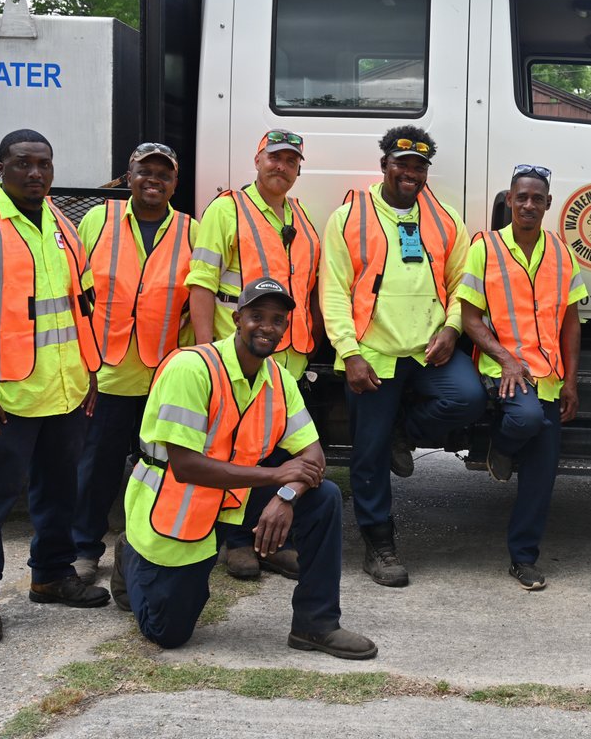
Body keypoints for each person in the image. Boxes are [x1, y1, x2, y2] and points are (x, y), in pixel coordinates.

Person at [113, 277, 376, 658]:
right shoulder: (192, 368)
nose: (267, 327)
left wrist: (285, 496)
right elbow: (186, 467)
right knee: (167, 633)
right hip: (178, 501)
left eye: (278, 320)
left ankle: (315, 625)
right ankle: (131, 555)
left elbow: (314, 457)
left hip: (233, 497)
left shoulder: (279, 380)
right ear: (236, 319)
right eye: (257, 316)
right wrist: (276, 477)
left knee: (324, 496)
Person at [0, 129, 110, 644]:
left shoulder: (60, 224)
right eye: (23, 164)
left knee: (58, 490)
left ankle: (51, 575)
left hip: (65, 389)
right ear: (1, 167)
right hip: (1, 395)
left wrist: (90, 369)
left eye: (44, 165)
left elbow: (81, 303)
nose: (35, 173)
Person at [320, 125, 486, 588]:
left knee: (468, 399)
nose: (410, 173)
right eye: (402, 164)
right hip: (372, 352)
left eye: (419, 167)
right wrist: (349, 353)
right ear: (385, 166)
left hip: (429, 348)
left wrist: (453, 329)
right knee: (368, 457)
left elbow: (463, 286)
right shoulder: (349, 216)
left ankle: (402, 428)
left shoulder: (446, 218)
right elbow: (332, 290)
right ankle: (379, 544)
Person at [185, 128, 323, 581]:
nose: (281, 166)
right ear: (257, 159)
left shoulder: (301, 218)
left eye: (290, 160)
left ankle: (273, 542)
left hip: (288, 360)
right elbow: (202, 281)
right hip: (236, 359)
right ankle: (239, 542)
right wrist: (208, 350)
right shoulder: (228, 210)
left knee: (274, 453)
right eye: (273, 157)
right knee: (239, 452)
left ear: (299, 168)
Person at [70, 142, 196, 585]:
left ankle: (147, 548)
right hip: (106, 373)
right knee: (95, 469)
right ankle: (84, 549)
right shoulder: (97, 220)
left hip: (163, 377)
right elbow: (75, 294)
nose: (154, 180)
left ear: (175, 183)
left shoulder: (190, 230)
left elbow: (193, 303)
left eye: (164, 173)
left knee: (157, 472)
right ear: (129, 176)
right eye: (146, 171)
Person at [457, 164, 586, 590]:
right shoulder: (485, 247)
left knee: (542, 476)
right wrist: (505, 358)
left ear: (548, 204)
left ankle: (524, 558)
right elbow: (470, 318)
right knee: (526, 419)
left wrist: (570, 381)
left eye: (537, 198)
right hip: (505, 370)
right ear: (508, 200)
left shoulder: (562, 252)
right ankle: (502, 446)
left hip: (549, 375)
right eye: (521, 197)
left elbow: (571, 321)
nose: (529, 204)